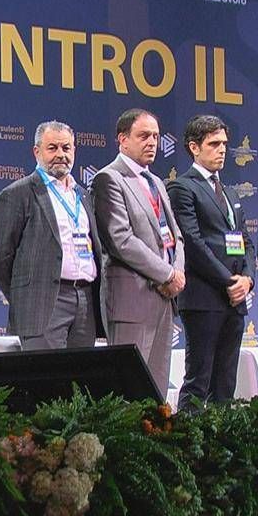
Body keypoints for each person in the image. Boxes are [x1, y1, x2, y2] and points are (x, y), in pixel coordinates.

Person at [92, 109, 185, 398]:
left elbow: (176, 236)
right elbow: (120, 240)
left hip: (165, 298)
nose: (152, 142)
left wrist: (177, 274)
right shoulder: (109, 178)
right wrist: (166, 274)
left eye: (155, 136)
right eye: (144, 136)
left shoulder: (157, 182)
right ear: (123, 139)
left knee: (157, 391)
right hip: (131, 300)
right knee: (128, 389)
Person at [0, 121, 104, 351]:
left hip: (85, 301)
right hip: (42, 304)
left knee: (82, 373)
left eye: (66, 148)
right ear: (36, 151)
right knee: (47, 373)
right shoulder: (17, 194)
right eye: (52, 148)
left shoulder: (83, 196)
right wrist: (26, 295)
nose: (61, 154)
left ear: (74, 151)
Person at [166, 115, 255, 406]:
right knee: (198, 379)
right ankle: (189, 434)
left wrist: (247, 280)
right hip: (204, 297)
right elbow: (192, 243)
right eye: (214, 144)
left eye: (224, 144)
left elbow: (246, 241)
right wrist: (229, 281)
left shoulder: (230, 192)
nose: (222, 150)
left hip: (235, 299)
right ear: (194, 147)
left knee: (226, 383)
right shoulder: (182, 187)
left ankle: (223, 435)